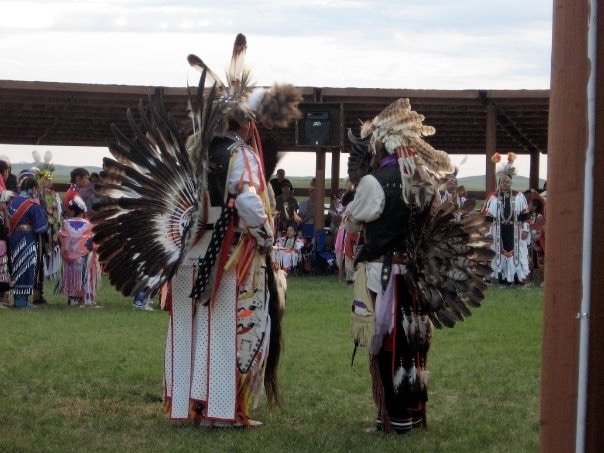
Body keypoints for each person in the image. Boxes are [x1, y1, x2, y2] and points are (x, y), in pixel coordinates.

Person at [91, 34, 301, 428]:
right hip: (229, 258)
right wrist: (268, 237)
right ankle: (221, 413)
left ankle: (186, 406)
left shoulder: (195, 153)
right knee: (225, 332)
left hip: (187, 256)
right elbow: (251, 205)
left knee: (188, 331)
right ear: (243, 121)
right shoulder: (241, 156)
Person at [344, 98, 493, 434]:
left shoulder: (373, 182)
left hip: (381, 276)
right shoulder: (422, 178)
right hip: (413, 278)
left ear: (382, 141)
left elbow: (353, 223)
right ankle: (409, 416)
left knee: (385, 346)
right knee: (411, 344)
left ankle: (392, 420)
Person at [483, 152, 531, 286]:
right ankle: (503, 277)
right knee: (500, 252)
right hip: (499, 230)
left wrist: (526, 229)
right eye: (502, 181)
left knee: (517, 252)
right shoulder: (494, 198)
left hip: (515, 229)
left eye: (507, 182)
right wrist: (488, 233)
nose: (505, 184)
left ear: (510, 183)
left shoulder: (519, 196)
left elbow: (525, 215)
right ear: (499, 183)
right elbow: (489, 217)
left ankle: (517, 277)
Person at [8, 177, 48, 308]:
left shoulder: (13, 202)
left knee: (16, 266)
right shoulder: (33, 204)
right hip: (27, 239)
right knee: (26, 267)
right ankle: (22, 302)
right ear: (33, 188)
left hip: (14, 238)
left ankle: (18, 300)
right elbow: (41, 228)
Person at [58, 196, 101, 307]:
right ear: (82, 211)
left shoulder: (65, 224)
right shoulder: (88, 224)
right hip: (84, 258)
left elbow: (61, 236)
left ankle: (73, 299)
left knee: (71, 276)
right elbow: (93, 240)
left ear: (72, 211)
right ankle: (87, 298)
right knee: (87, 275)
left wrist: (70, 251)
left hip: (70, 258)